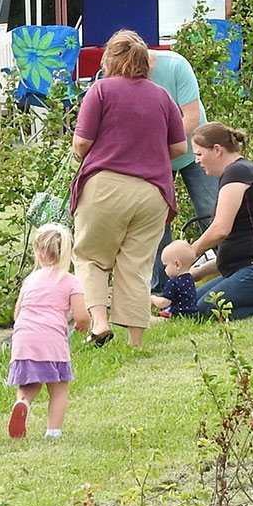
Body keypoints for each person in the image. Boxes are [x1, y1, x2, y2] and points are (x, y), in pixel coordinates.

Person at [70, 29, 186, 346]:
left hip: (105, 187)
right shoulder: (162, 96)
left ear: (110, 59)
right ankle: (135, 341)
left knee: (90, 256)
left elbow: (82, 143)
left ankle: (101, 323)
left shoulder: (101, 91)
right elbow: (179, 147)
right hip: (153, 192)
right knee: (136, 266)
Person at [187, 123, 253, 318]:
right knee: (191, 305)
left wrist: (189, 253)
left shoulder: (237, 173)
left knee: (205, 310)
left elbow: (221, 229)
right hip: (250, 267)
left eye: (199, 154)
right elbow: (239, 248)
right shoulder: (237, 172)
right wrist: (199, 272)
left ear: (217, 150)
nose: (196, 161)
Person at [7, 223, 89, 440]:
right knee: (59, 387)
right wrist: (82, 325)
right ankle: (53, 431)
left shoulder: (30, 280)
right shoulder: (71, 281)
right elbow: (81, 315)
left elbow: (17, 313)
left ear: (39, 252)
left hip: (24, 337)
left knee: (28, 383)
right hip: (51, 339)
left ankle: (22, 402)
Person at [147, 44, 212, 294]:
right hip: (155, 157)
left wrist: (163, 146)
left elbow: (192, 118)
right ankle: (164, 288)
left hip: (189, 149)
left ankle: (229, 269)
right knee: (157, 218)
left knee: (209, 210)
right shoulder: (123, 75)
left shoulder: (175, 65)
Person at [152, 239, 204, 318]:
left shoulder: (173, 283)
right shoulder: (189, 279)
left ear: (177, 265)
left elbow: (163, 303)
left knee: (150, 320)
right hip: (191, 315)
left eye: (166, 266)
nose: (165, 270)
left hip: (177, 315)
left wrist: (152, 299)